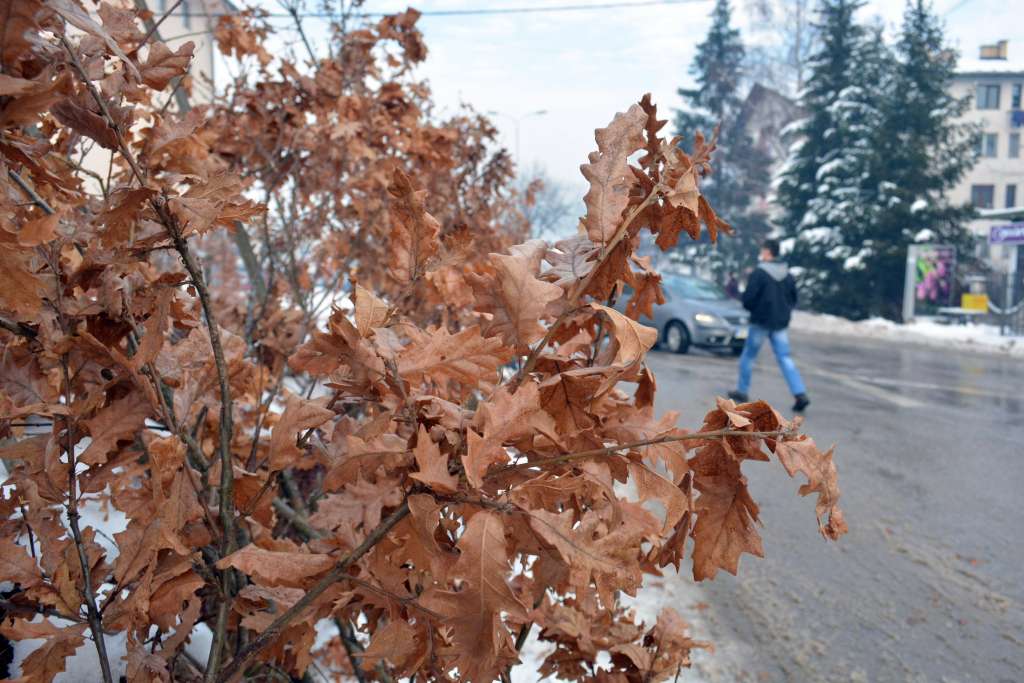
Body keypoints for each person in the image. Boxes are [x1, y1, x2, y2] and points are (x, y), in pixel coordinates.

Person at [728, 239, 810, 412]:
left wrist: (753, 308)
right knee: (785, 358)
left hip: (760, 322)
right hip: (780, 323)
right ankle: (799, 393)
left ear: (766, 252)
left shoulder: (759, 273)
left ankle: (742, 391)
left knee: (749, 356)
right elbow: (793, 298)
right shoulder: (787, 274)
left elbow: (748, 298)